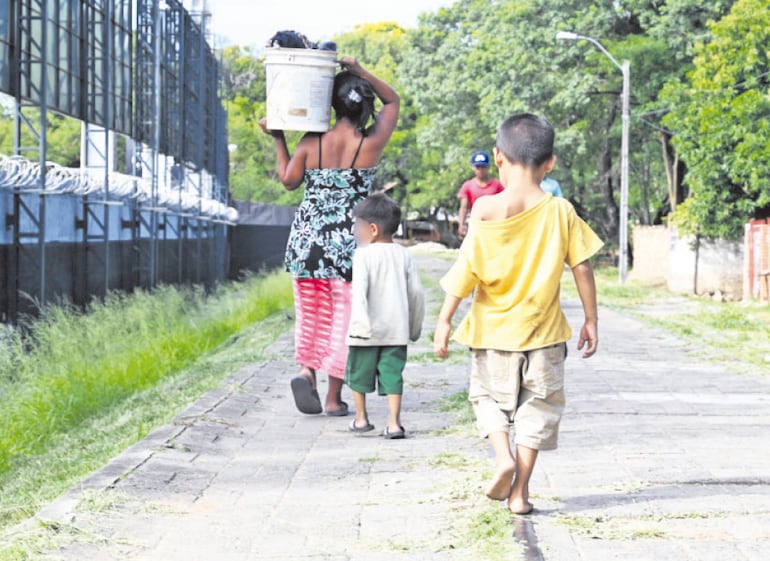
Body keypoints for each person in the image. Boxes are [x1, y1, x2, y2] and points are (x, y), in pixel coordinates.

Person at [433, 113, 603, 515]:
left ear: (497, 158)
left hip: (490, 333)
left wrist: (444, 320)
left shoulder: (485, 210)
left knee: (485, 397)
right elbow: (582, 267)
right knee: (538, 409)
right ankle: (520, 493)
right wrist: (591, 319)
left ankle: (502, 457)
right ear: (551, 163)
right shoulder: (561, 210)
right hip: (545, 334)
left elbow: (467, 267)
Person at [259, 56, 400, 417]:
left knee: (310, 314)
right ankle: (334, 398)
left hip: (307, 242)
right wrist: (360, 69)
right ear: (366, 107)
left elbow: (289, 181)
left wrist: (278, 138)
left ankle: (307, 372)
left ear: (329, 104)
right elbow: (394, 100)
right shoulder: (369, 143)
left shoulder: (311, 141)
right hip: (348, 246)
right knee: (343, 319)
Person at [345, 193, 425, 439]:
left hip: (365, 331)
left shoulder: (362, 255)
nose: (354, 231)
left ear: (372, 229)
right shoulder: (404, 255)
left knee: (358, 374)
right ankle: (393, 423)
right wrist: (413, 328)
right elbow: (417, 294)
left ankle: (361, 418)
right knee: (393, 376)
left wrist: (358, 325)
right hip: (396, 330)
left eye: (357, 225)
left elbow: (359, 293)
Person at [457, 150, 504, 237]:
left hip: (494, 225)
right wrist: (461, 225)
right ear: (473, 167)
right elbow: (463, 208)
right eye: (478, 167)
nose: (481, 170)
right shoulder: (467, 186)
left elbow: (504, 205)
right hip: (476, 225)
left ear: (488, 167)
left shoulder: (498, 185)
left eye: (483, 167)